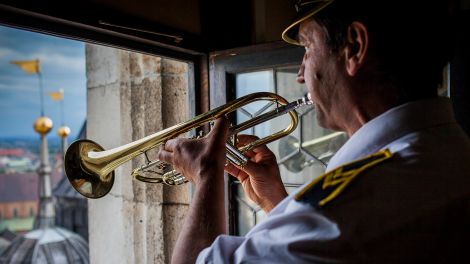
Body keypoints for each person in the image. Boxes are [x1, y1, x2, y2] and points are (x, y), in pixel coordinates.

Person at [158, 0, 470, 263]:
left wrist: (207, 175)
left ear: (354, 48)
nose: (300, 75)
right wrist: (279, 206)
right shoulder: (451, 154)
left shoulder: (345, 207)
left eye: (308, 48)